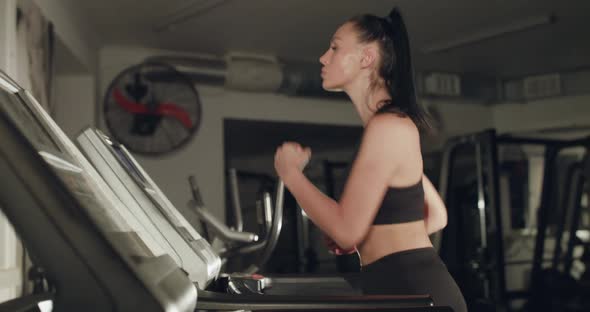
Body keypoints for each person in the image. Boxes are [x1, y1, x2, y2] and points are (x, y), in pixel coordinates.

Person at [274, 8, 467, 312]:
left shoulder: (388, 127)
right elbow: (437, 214)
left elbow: (344, 229)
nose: (324, 58)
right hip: (396, 285)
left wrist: (291, 175)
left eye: (335, 47)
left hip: (414, 290)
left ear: (366, 58)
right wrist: (369, 237)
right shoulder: (388, 126)